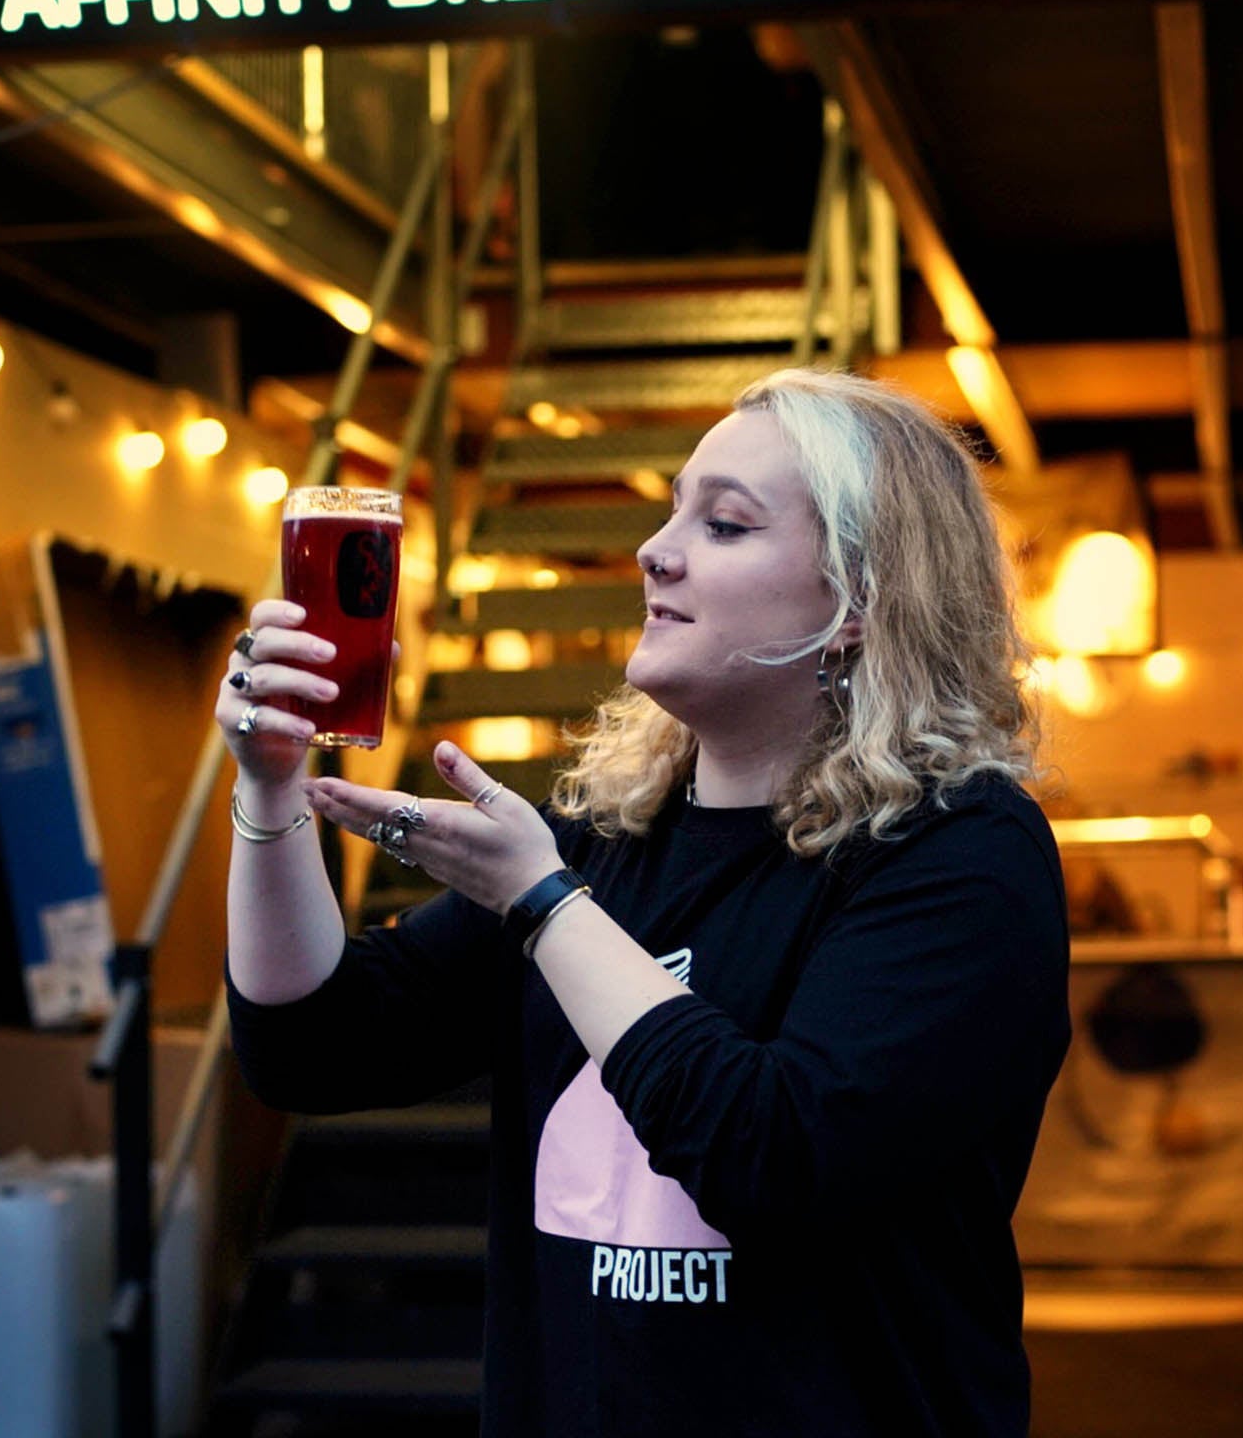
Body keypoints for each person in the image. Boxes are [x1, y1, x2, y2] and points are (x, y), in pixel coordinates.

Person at [217, 368, 1071, 1437]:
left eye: (722, 524)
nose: (653, 551)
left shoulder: (959, 853)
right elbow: (309, 1046)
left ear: (858, 601)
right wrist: (268, 787)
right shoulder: (607, 847)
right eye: (671, 510)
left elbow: (774, 1158)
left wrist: (539, 904)